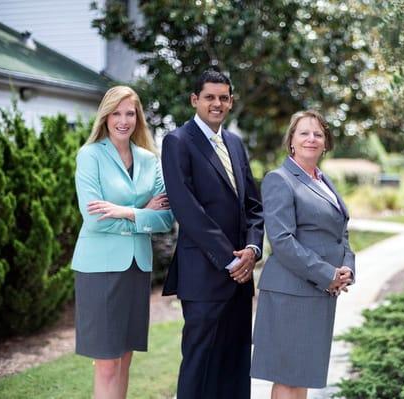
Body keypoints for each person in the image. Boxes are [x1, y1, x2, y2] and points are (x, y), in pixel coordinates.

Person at [161, 69, 264, 399]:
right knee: (199, 364)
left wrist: (252, 249)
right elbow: (187, 209)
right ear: (195, 100)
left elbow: (253, 206)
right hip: (204, 276)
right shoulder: (177, 142)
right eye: (209, 97)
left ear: (230, 102)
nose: (216, 103)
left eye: (223, 98)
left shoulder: (235, 143)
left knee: (235, 366)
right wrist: (229, 261)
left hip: (241, 277)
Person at [72, 85, 174, 399]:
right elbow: (94, 218)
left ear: (138, 118)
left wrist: (124, 211)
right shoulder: (90, 155)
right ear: (105, 116)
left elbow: (166, 219)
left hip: (136, 267)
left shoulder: (149, 159)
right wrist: (143, 212)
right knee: (106, 363)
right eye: (116, 112)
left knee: (125, 357)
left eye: (130, 113)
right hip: (99, 268)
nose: (123, 120)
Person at [251, 110, 355, 399]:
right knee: (287, 378)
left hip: (320, 294)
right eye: (304, 133)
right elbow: (282, 241)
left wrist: (347, 268)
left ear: (325, 144)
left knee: (303, 376)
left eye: (318, 134)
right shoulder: (279, 179)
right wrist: (328, 274)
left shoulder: (324, 181)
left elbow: (340, 232)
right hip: (290, 294)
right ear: (292, 141)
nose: (312, 138)